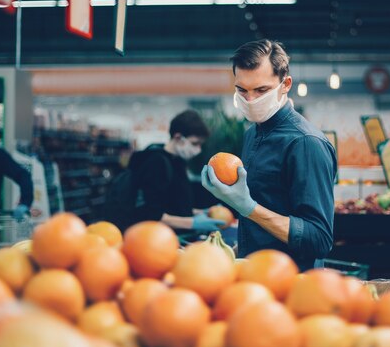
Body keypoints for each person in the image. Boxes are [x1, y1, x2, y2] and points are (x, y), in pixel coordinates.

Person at [201, 39, 337, 270]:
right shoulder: (252, 133)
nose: (250, 100)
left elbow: (319, 239)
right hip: (254, 276)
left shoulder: (306, 143)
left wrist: (249, 208)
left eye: (261, 90)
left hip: (293, 286)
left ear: (285, 84)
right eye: (241, 90)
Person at [126, 110, 225, 232]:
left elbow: (173, 205)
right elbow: (151, 213)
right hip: (157, 238)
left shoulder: (178, 162)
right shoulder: (156, 162)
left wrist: (199, 212)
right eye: (195, 143)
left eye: (200, 144)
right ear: (178, 137)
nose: (198, 149)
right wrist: (193, 223)